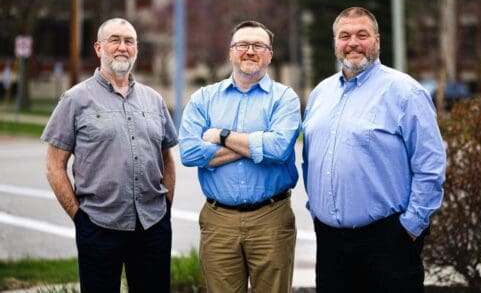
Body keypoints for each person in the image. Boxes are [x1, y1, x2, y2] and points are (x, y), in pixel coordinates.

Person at [302, 7, 446, 292]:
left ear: (377, 41)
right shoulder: (320, 93)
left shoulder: (405, 92)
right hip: (330, 243)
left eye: (361, 35)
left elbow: (430, 165)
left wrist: (410, 227)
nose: (352, 42)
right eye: (344, 35)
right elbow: (309, 158)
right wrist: (317, 210)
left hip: (388, 242)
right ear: (335, 42)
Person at [41, 18, 177, 293]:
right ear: (98, 47)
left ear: (136, 49)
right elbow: (54, 166)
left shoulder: (154, 100)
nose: (122, 47)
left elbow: (167, 158)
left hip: (152, 226)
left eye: (129, 41)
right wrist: (79, 217)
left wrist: (166, 209)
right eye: (115, 39)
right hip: (99, 226)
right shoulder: (75, 99)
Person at [179, 20, 301, 293]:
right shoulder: (204, 99)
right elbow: (188, 152)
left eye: (258, 45)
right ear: (230, 52)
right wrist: (254, 143)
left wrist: (222, 135)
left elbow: (279, 149)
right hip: (218, 220)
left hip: (271, 218)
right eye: (243, 45)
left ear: (269, 54)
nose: (250, 51)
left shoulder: (284, 99)